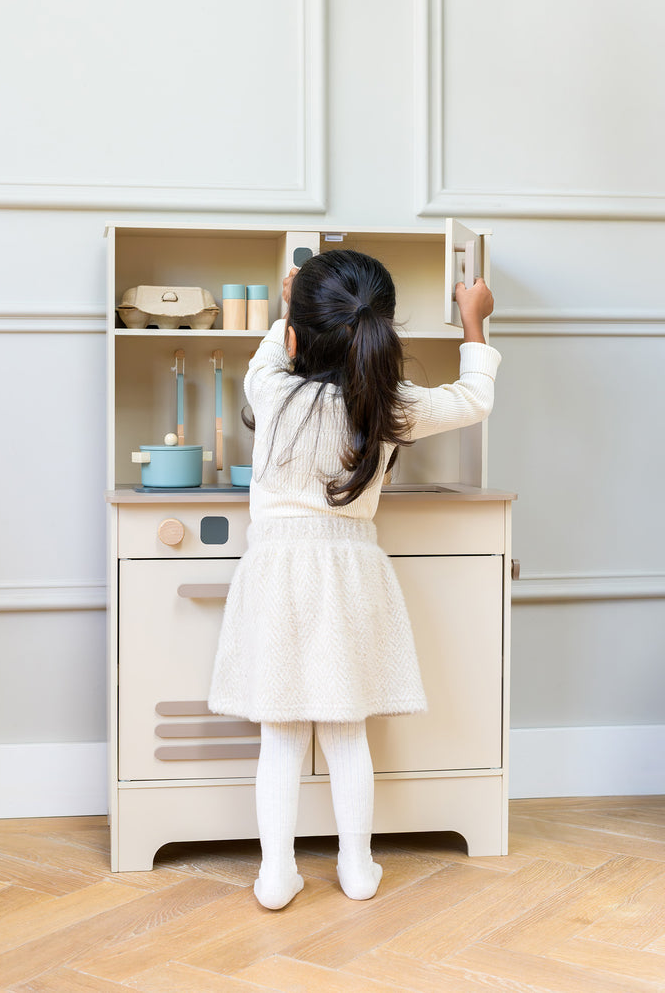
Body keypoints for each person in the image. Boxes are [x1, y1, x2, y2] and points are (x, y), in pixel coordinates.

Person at [208, 248, 500, 909]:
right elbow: (474, 400)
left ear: (294, 333)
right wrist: (473, 322)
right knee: (346, 734)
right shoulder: (389, 404)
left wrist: (287, 303)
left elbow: (271, 354)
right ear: (381, 332)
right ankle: (356, 864)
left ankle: (276, 873)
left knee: (279, 736)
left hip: (277, 573)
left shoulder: (272, 390)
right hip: (348, 576)